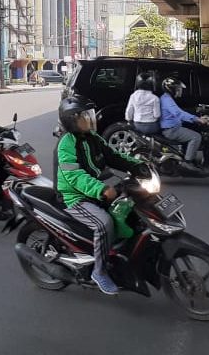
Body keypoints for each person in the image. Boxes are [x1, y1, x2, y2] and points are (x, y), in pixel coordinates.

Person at [56, 95, 146, 295]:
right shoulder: (66, 144)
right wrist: (101, 189)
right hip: (75, 197)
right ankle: (99, 271)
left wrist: (138, 165)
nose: (89, 119)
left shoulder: (93, 138)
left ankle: (118, 254)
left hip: (95, 191)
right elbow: (75, 176)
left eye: (89, 115)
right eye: (84, 117)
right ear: (72, 120)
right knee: (104, 223)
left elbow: (113, 156)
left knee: (131, 210)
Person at [159, 76, 209, 170]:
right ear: (171, 89)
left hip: (173, 128)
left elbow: (179, 112)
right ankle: (187, 163)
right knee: (196, 137)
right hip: (171, 130)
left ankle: (187, 157)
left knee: (192, 131)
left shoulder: (166, 98)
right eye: (178, 89)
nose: (180, 91)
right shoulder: (167, 100)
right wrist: (197, 119)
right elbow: (178, 113)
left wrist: (197, 118)